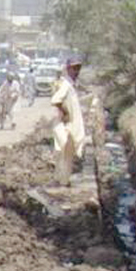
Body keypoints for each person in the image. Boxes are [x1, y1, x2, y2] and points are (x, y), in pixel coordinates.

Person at [50, 57, 86, 186]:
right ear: (68, 69)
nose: (77, 71)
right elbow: (55, 100)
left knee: (65, 154)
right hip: (64, 125)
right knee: (64, 152)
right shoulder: (66, 85)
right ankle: (62, 182)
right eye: (74, 68)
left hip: (69, 125)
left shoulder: (71, 85)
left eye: (78, 68)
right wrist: (65, 113)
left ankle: (62, 181)